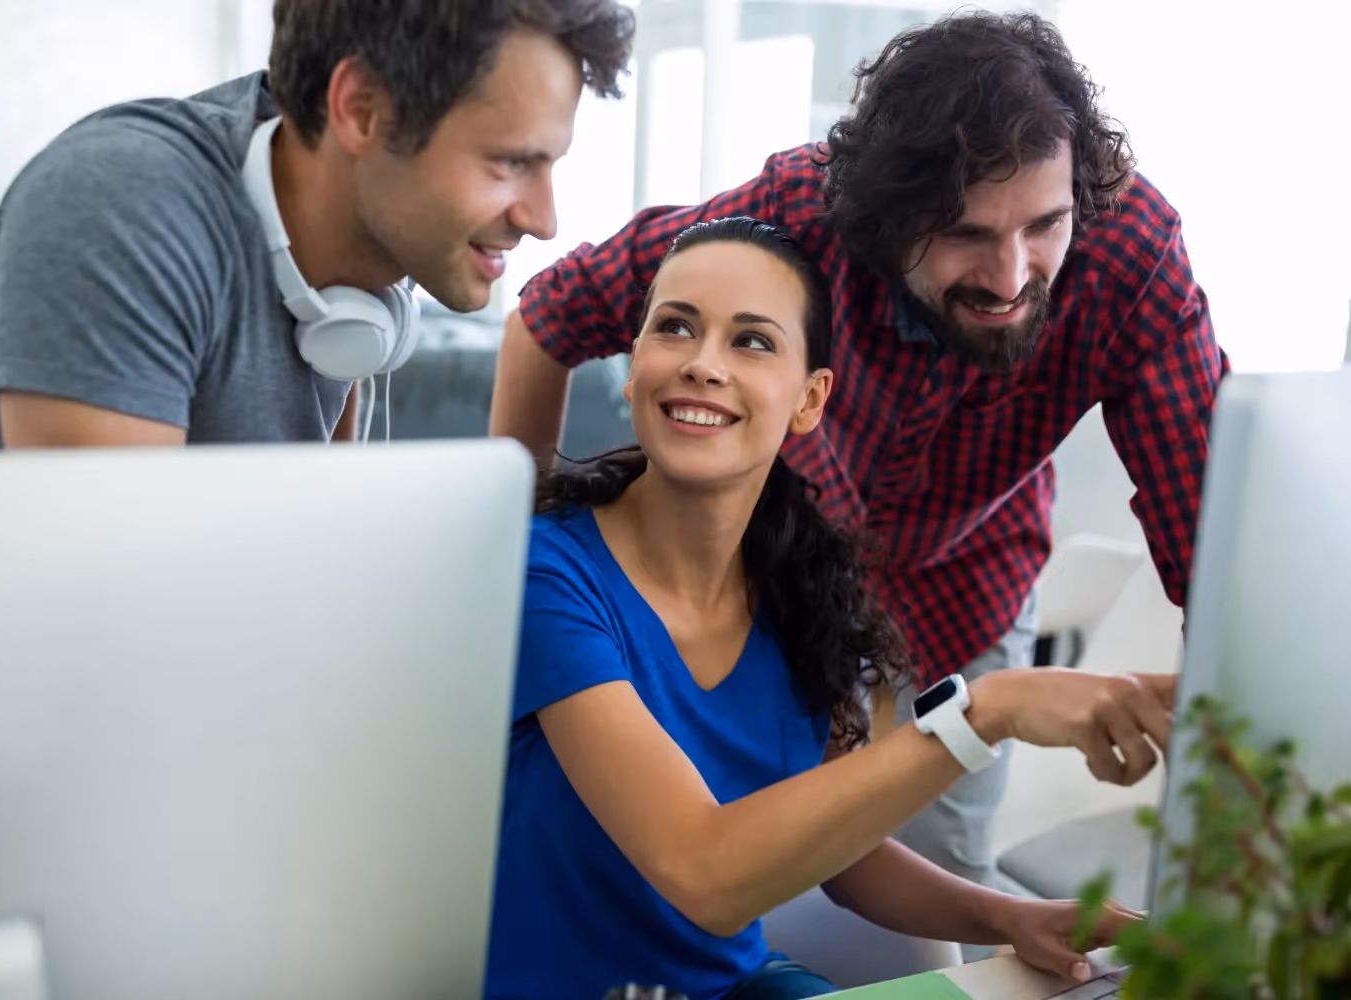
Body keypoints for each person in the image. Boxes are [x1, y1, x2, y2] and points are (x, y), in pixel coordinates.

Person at [488, 10, 1226, 907]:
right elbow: (550, 314)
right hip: (778, 589)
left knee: (935, 883)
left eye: (1044, 225)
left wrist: (1252, 787)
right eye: (964, 233)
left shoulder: (1129, 257)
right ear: (884, 215)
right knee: (668, 851)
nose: (1009, 274)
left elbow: (1219, 544)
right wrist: (517, 576)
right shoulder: (787, 222)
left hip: (965, 592)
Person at [485, 217, 1171, 1000]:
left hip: (741, 987)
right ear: (636, 363)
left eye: (751, 341)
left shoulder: (798, 595)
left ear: (810, 401)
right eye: (676, 327)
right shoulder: (548, 573)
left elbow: (839, 855)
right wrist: (984, 713)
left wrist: (1007, 917)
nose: (704, 364)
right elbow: (701, 871)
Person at [0, 0, 635, 450]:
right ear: (361, 110)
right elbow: (112, 620)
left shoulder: (368, 265)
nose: (543, 221)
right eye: (510, 163)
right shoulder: (119, 205)